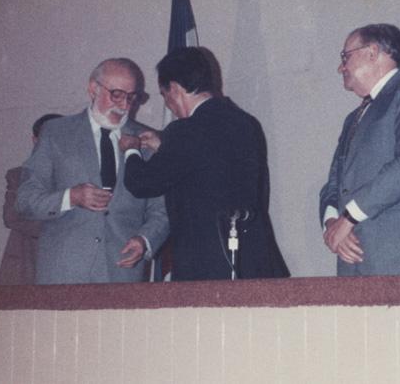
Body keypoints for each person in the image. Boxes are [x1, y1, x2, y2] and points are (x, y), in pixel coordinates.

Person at [120, 47, 289, 281]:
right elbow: (211, 165)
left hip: (208, 266)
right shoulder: (246, 123)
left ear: (176, 89)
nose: (168, 104)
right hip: (253, 262)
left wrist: (130, 150)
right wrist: (164, 147)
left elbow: (141, 184)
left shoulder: (183, 132)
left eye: (164, 94)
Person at [16, 58, 169, 285]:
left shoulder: (146, 142)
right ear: (93, 89)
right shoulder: (55, 133)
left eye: (131, 97)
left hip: (122, 274)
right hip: (62, 274)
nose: (125, 106)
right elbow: (25, 200)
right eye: (116, 94)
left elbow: (163, 210)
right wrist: (71, 197)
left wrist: (145, 240)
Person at [320, 24, 400, 276]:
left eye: (345, 56)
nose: (341, 67)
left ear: (372, 52)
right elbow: (334, 184)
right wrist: (332, 225)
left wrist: (348, 219)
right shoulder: (353, 118)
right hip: (354, 270)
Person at [0, 114, 63, 285]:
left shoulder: (77, 177)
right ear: (35, 141)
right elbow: (11, 217)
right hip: (26, 261)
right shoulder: (19, 175)